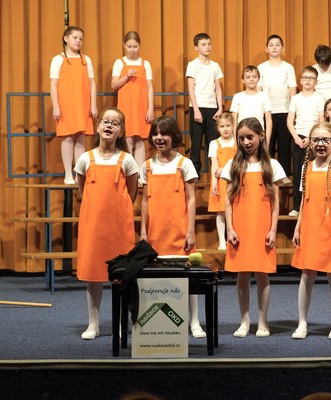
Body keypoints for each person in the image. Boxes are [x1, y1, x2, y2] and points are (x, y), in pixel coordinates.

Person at [139, 115, 206, 338]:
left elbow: (191, 199)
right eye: (156, 134)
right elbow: (144, 201)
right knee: (155, 277)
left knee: (188, 276)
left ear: (174, 136)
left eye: (164, 133)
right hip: (155, 231)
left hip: (179, 230)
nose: (159, 138)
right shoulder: (147, 166)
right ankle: (158, 321)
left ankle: (194, 322)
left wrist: (190, 230)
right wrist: (143, 231)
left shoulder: (184, 164)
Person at [74, 107, 138, 339]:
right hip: (93, 226)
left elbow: (131, 193)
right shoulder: (85, 158)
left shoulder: (127, 160)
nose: (109, 125)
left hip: (119, 228)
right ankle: (93, 324)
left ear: (121, 131)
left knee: (121, 276)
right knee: (94, 274)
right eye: (105, 121)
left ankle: (122, 324)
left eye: (115, 123)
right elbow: (82, 190)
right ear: (98, 126)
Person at [220, 117, 287, 338]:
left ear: (261, 136)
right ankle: (244, 321)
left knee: (262, 274)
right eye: (241, 138)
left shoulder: (272, 165)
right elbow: (228, 201)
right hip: (240, 227)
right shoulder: (233, 165)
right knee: (242, 274)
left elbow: (276, 203)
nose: (246, 142)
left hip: (262, 227)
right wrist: (230, 228)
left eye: (250, 137)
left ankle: (263, 323)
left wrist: (273, 229)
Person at [291, 122, 331, 340]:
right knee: (306, 274)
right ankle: (302, 323)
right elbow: (304, 201)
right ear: (310, 143)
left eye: (325, 140)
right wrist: (298, 227)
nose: (320, 144)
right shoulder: (306, 168)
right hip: (310, 227)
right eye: (316, 139)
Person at [50, 26, 98, 184]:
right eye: (75, 38)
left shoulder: (86, 59)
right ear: (66, 38)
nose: (78, 41)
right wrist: (56, 106)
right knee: (68, 138)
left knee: (80, 138)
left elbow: (92, 84)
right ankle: (68, 174)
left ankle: (79, 174)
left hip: (82, 103)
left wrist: (93, 105)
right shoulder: (58, 59)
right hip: (66, 104)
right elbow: (53, 85)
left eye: (81, 39)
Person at [111, 31, 155, 168]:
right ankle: (128, 170)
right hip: (126, 106)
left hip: (141, 106)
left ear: (139, 46)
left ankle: (140, 172)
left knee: (140, 140)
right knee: (127, 138)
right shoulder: (119, 63)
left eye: (135, 46)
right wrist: (126, 76)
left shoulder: (145, 64)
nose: (132, 50)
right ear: (124, 45)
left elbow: (149, 87)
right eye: (129, 46)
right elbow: (114, 85)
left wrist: (150, 108)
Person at [286, 66, 325, 216]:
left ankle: (312, 204)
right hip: (298, 138)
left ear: (316, 81)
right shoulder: (295, 98)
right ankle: (297, 206)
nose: (308, 80)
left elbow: (321, 120)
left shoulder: (319, 98)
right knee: (298, 173)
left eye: (311, 78)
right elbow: (290, 121)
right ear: (300, 81)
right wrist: (296, 137)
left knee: (313, 172)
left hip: (314, 138)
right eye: (305, 78)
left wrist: (312, 138)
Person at [258, 34, 297, 177]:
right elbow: (258, 89)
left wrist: (292, 112)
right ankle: (267, 175)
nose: (274, 47)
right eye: (271, 45)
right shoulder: (261, 67)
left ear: (282, 48)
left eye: (277, 45)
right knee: (266, 145)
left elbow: (292, 89)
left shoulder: (288, 68)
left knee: (284, 147)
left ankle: (284, 177)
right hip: (267, 112)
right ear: (266, 49)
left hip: (285, 111)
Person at [186, 32, 224, 174]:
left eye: (209, 44)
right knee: (196, 145)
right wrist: (196, 110)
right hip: (197, 107)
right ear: (196, 47)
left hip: (212, 108)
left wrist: (220, 108)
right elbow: (191, 88)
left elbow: (218, 88)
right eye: (203, 44)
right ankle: (193, 177)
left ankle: (215, 174)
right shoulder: (193, 65)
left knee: (213, 145)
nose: (207, 47)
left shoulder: (215, 66)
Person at [207, 112, 237, 250]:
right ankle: (221, 241)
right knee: (220, 211)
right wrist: (214, 182)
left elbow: (238, 162)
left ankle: (234, 238)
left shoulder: (237, 142)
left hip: (235, 179)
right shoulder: (214, 143)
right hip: (221, 181)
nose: (225, 129)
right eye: (222, 126)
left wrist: (224, 168)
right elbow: (214, 164)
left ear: (233, 126)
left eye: (228, 125)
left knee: (235, 210)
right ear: (218, 128)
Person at [230, 65, 272, 142]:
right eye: (248, 77)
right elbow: (234, 119)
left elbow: (268, 120)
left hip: (259, 133)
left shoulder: (264, 96)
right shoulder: (237, 97)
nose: (251, 79)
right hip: (242, 134)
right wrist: (235, 138)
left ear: (258, 79)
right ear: (243, 80)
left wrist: (267, 140)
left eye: (254, 77)